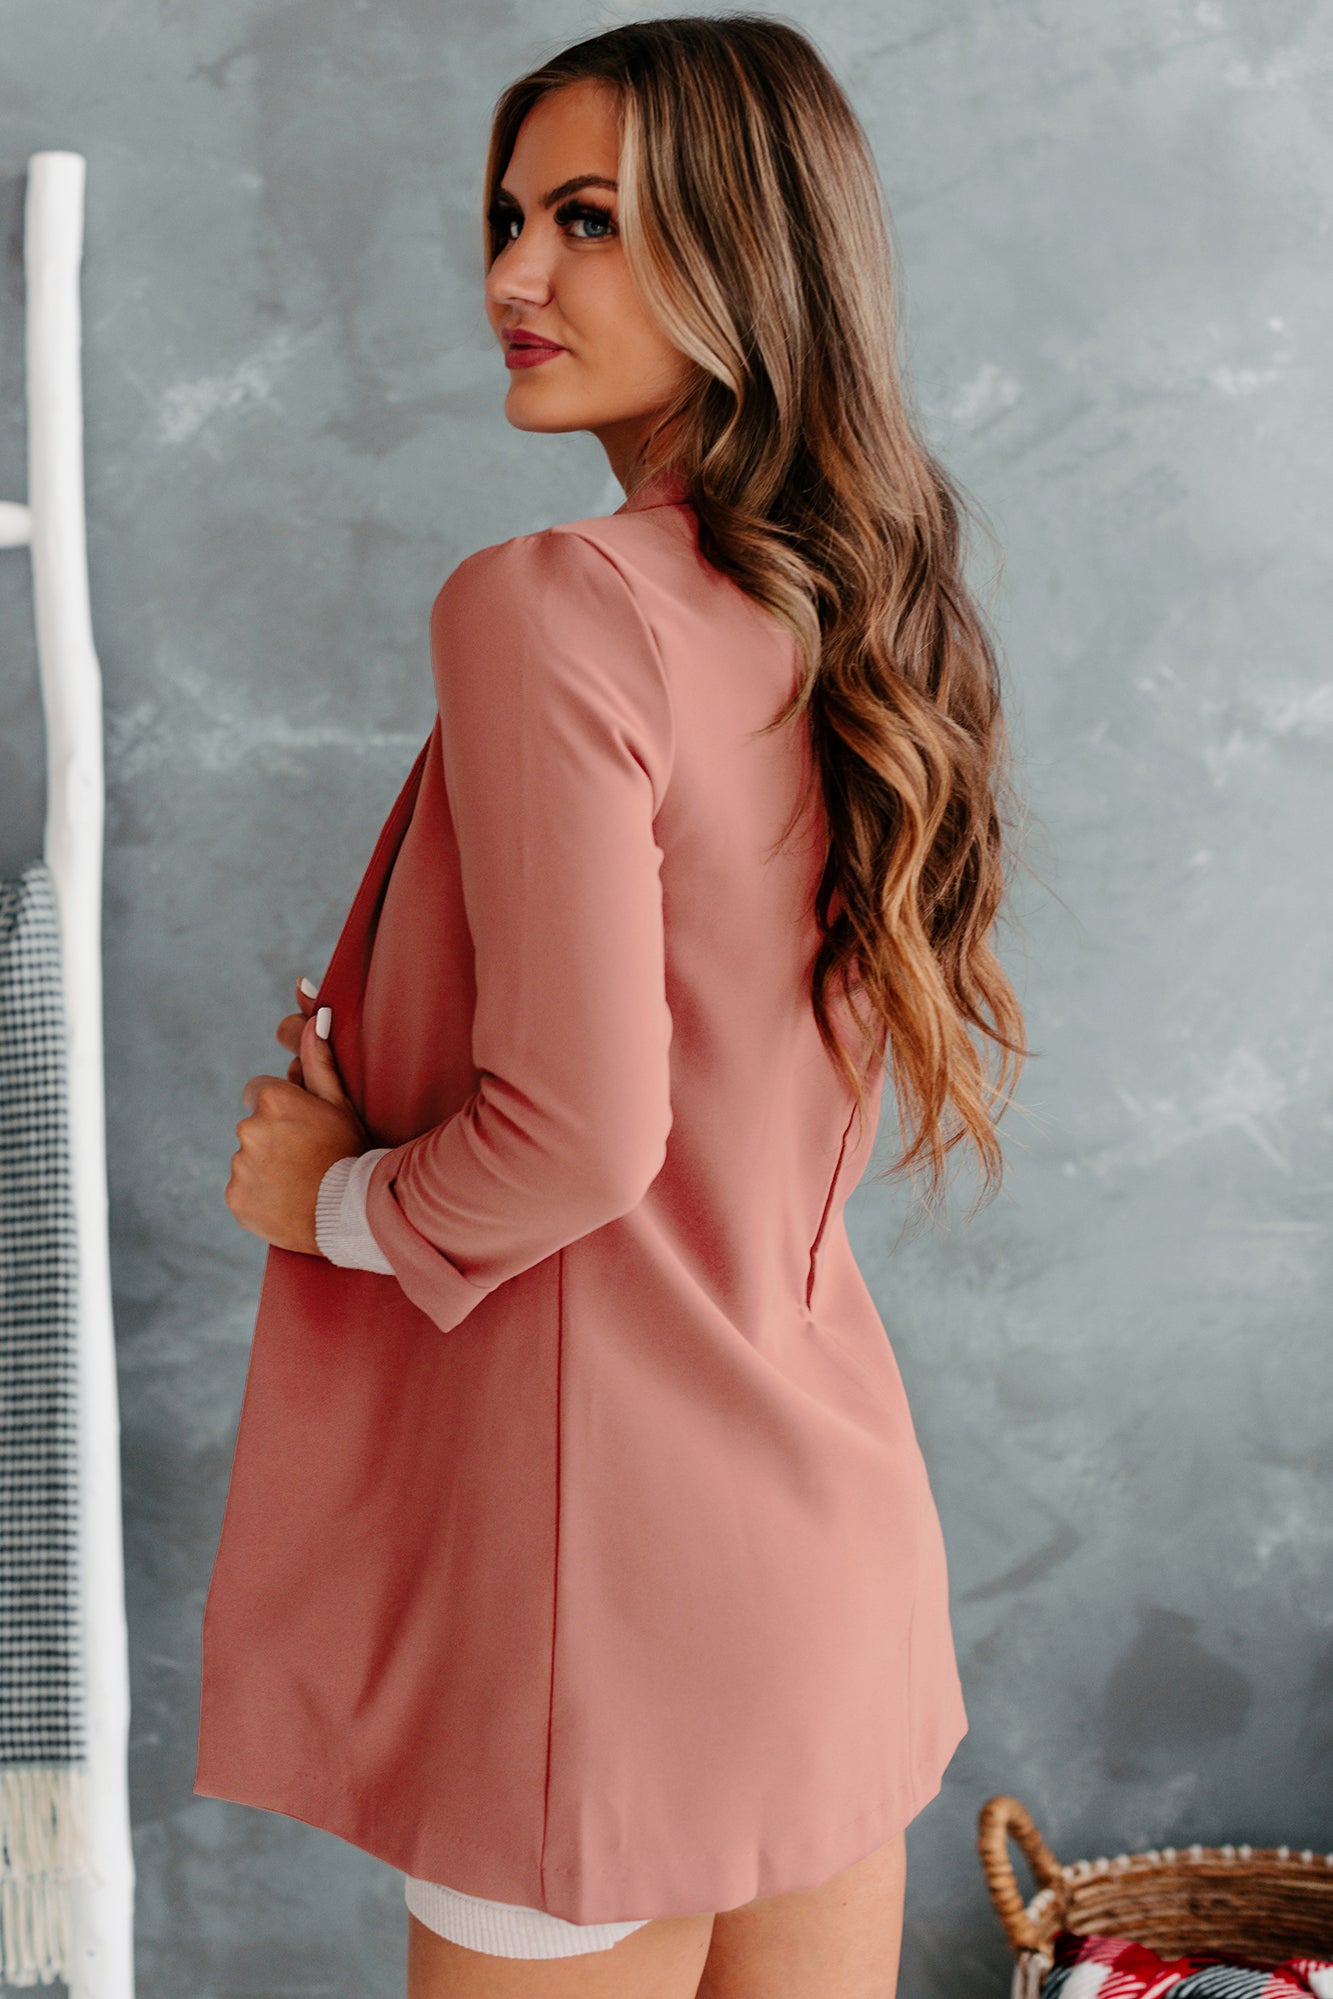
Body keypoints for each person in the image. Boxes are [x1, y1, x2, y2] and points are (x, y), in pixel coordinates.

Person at [202, 14, 1029, 1997]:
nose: (512, 272)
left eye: (585, 218)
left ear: (750, 249)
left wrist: (330, 1195)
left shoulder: (551, 603)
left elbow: (578, 1139)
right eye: (506, 217)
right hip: (822, 1557)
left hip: (593, 1604)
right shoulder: (860, 607)